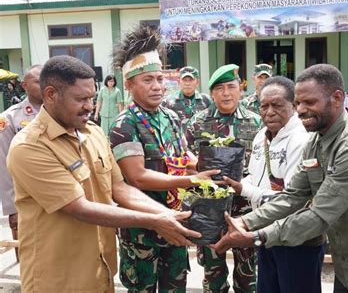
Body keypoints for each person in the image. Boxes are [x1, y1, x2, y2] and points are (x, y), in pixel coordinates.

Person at [213, 64, 348, 292]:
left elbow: (320, 214)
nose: (301, 110)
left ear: (336, 98)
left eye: (310, 103)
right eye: (298, 103)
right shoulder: (316, 141)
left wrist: (256, 237)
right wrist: (244, 222)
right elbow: (293, 196)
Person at [6, 56, 201, 292]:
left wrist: (169, 215)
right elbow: (79, 208)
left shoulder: (93, 133)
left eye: (92, 97)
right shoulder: (30, 146)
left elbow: (120, 187)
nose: (90, 106)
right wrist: (155, 221)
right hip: (58, 278)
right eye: (81, 99)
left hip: (101, 271)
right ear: (50, 94)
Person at [109, 26, 219, 292]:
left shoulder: (170, 116)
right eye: (148, 80)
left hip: (176, 222)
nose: (157, 86)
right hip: (142, 233)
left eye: (160, 79)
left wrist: (208, 165)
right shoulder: (125, 124)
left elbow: (183, 156)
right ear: (129, 84)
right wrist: (190, 180)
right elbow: (137, 176)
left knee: (176, 285)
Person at [224, 76, 325, 293]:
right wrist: (232, 183)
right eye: (264, 106)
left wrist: (244, 189)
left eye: (277, 105)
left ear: (294, 105)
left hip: (297, 239)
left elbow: (294, 199)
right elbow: (253, 176)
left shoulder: (302, 139)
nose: (269, 112)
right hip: (267, 234)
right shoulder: (262, 135)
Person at [186, 64, 262, 293]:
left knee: (248, 275)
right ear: (211, 93)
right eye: (220, 88)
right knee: (213, 274)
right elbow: (184, 159)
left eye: (231, 87)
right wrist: (198, 168)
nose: (226, 93)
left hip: (246, 210)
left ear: (241, 89)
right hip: (209, 212)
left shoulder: (256, 122)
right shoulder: (198, 123)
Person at [0, 65, 42, 261]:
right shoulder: (9, 119)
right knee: (30, 259)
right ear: (25, 86)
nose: (44, 85)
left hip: (60, 197)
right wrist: (11, 208)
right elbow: (4, 165)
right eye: (38, 81)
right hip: (26, 201)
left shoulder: (61, 112)